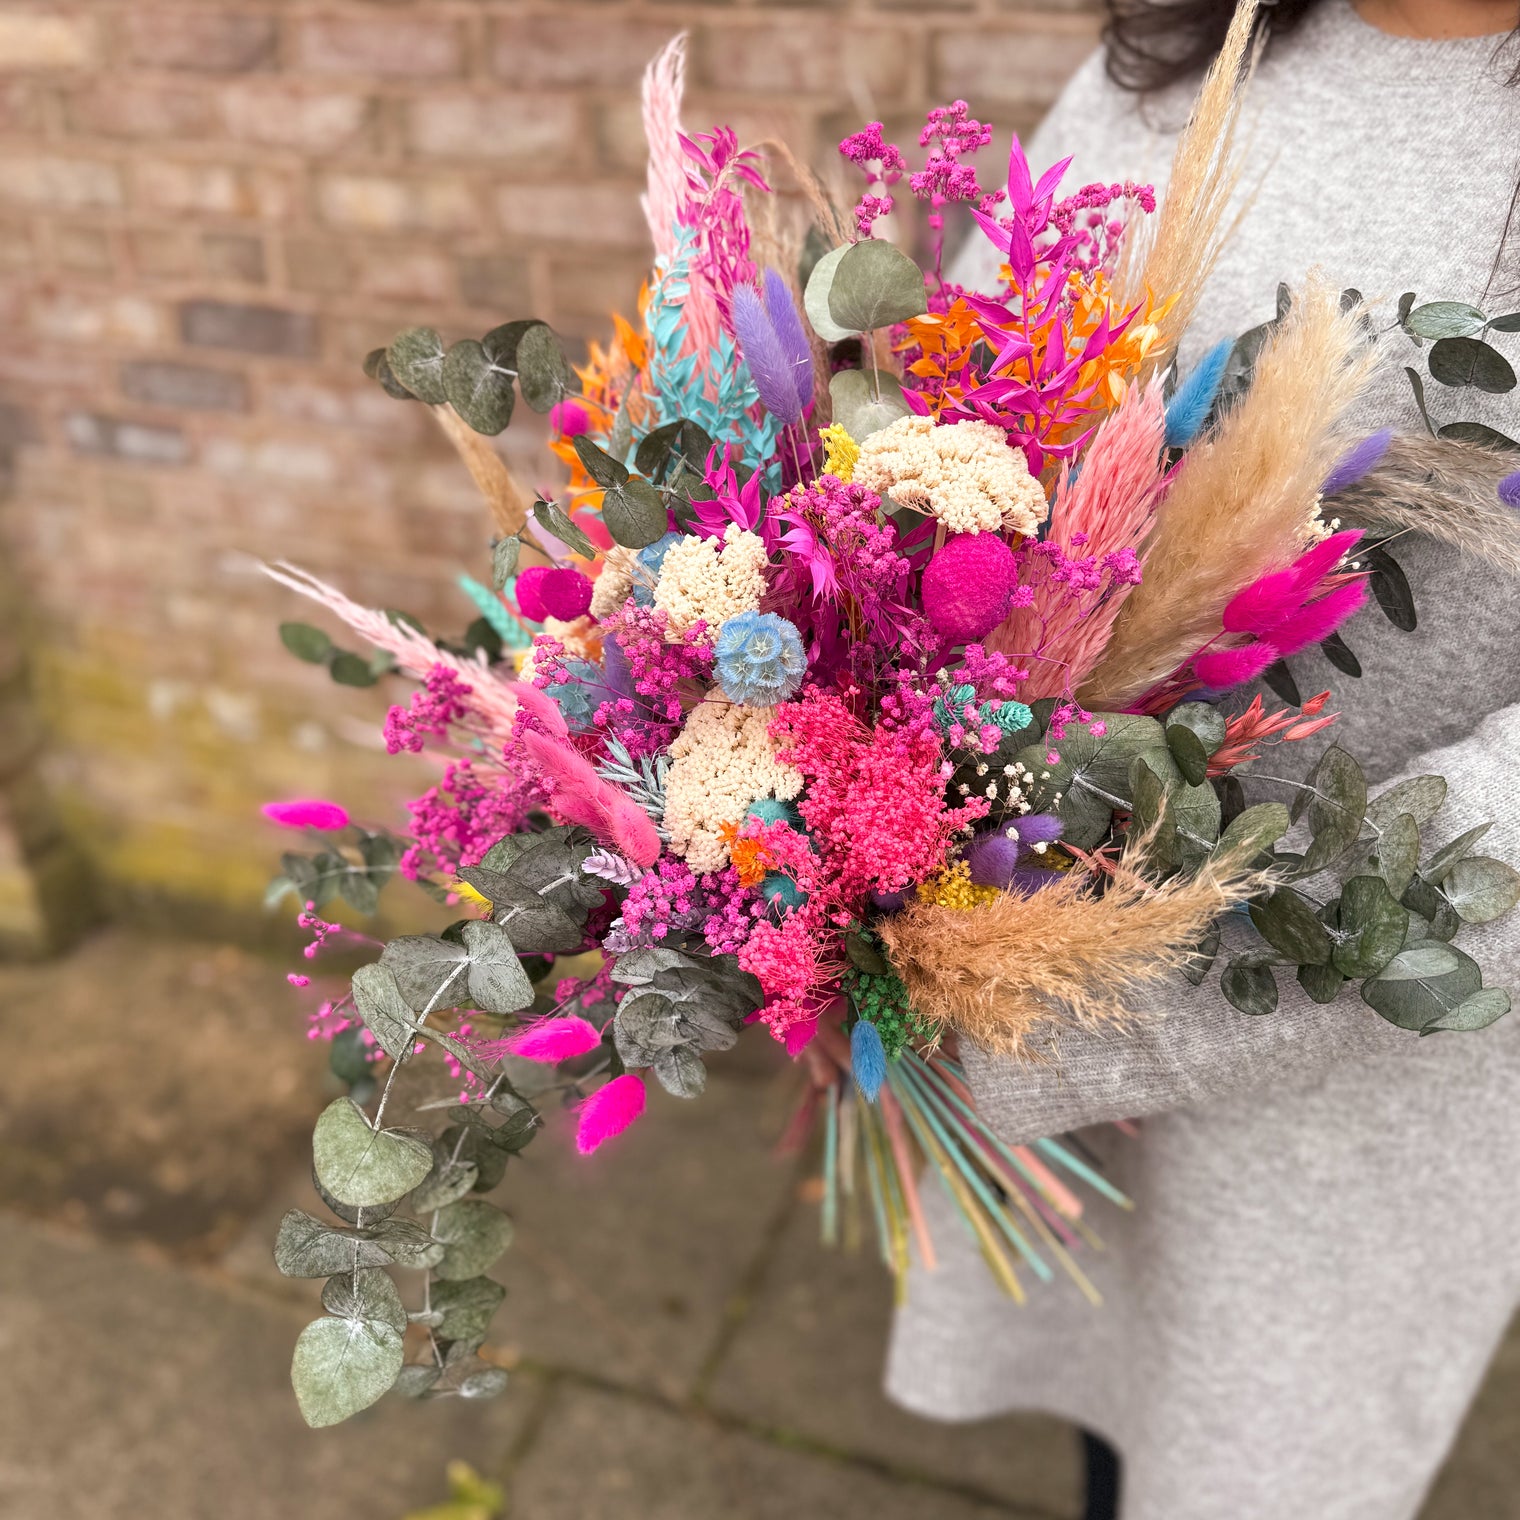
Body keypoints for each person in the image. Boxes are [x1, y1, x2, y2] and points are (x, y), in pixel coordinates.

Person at [886, 3, 1520, 1518]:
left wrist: (1118, 991)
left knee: (1239, 1456)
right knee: (1115, 1415)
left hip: (1344, 1042)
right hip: (1033, 947)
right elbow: (955, 403)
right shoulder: (1181, 48)